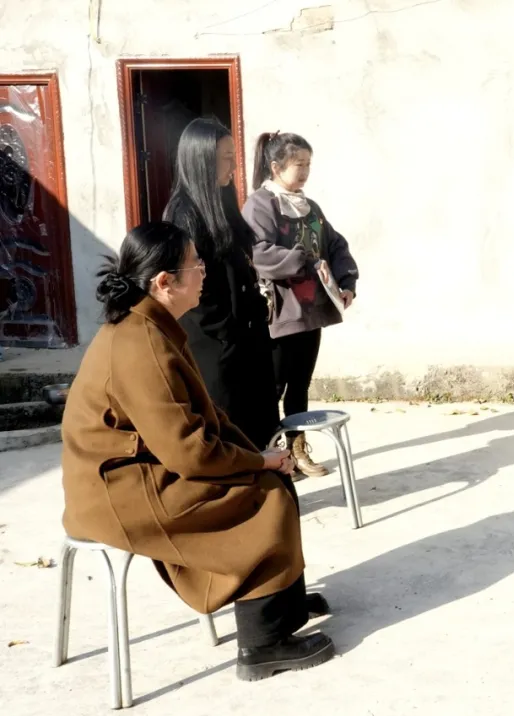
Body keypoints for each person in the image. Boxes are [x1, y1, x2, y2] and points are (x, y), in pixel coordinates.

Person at [60, 222, 335, 680]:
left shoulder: (154, 324)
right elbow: (189, 452)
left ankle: (282, 606)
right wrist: (258, 463)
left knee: (273, 478)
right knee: (262, 497)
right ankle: (262, 646)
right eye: (196, 264)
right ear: (164, 282)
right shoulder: (140, 342)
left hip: (145, 466)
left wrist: (263, 456)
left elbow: (207, 418)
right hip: (119, 489)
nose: (204, 271)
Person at [241, 131, 358, 479]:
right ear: (276, 167)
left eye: (308, 164)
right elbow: (257, 252)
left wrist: (347, 281)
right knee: (272, 388)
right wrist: (303, 259)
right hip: (279, 313)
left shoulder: (310, 207)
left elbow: (335, 245)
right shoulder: (260, 205)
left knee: (299, 386)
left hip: (311, 312)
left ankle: (297, 450)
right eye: (298, 164)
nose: (305, 171)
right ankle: (267, 453)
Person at [163, 117, 281, 451]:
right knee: (231, 437)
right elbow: (193, 292)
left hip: (248, 338)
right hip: (218, 348)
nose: (234, 166)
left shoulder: (223, 203)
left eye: (234, 156)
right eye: (226, 157)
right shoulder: (183, 215)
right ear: (202, 159)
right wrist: (230, 332)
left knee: (262, 434)